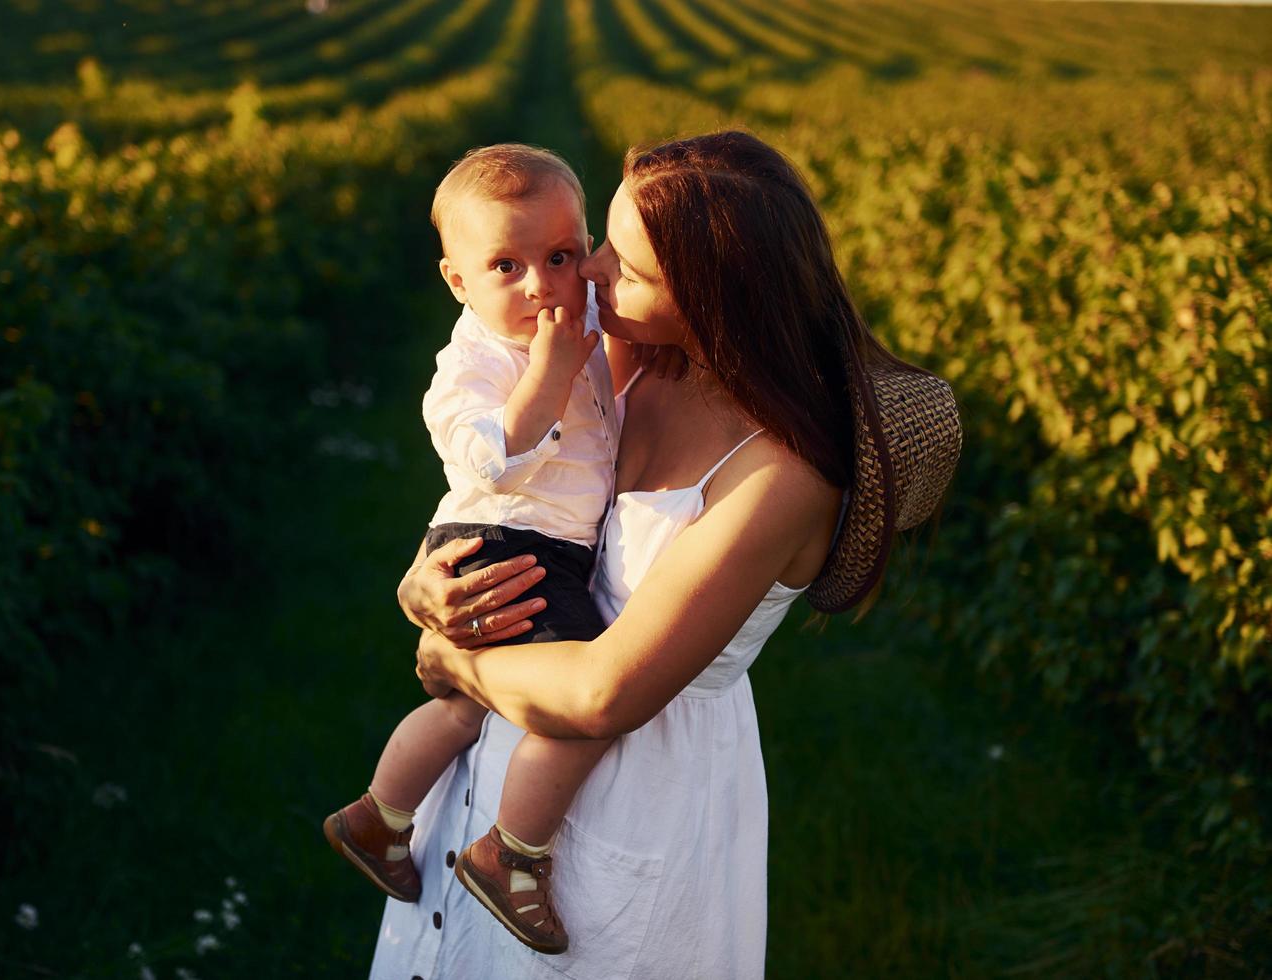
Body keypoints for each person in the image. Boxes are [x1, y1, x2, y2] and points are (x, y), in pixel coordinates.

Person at [368, 130, 962, 979]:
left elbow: (607, 691)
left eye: (630, 266)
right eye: (603, 240)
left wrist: (455, 662)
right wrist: (424, 588)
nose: (596, 270)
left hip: (636, 781)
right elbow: (517, 498)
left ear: (719, 297)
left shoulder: (779, 477)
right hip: (510, 754)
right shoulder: (634, 361)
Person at [323, 144, 684, 955]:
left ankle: (379, 816)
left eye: (560, 257)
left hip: (537, 546)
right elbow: (483, 458)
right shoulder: (474, 362)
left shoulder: (581, 317)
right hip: (506, 543)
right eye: (506, 266)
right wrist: (548, 377)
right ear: (457, 281)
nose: (539, 285)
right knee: (584, 700)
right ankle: (511, 854)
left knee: (467, 703)